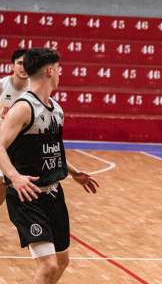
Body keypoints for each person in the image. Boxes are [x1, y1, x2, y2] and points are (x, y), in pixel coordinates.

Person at [0, 48, 99, 283]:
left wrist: (74, 172)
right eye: (59, 69)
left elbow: (50, 149)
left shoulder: (57, 109)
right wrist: (14, 176)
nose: (60, 74)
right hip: (27, 196)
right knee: (48, 266)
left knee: (61, 262)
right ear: (50, 70)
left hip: (54, 194)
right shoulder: (23, 108)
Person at [0, 49, 31, 206]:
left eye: (27, 64)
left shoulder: (35, 91)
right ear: (12, 65)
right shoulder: (2, 86)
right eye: (19, 63)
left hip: (22, 148)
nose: (23, 67)